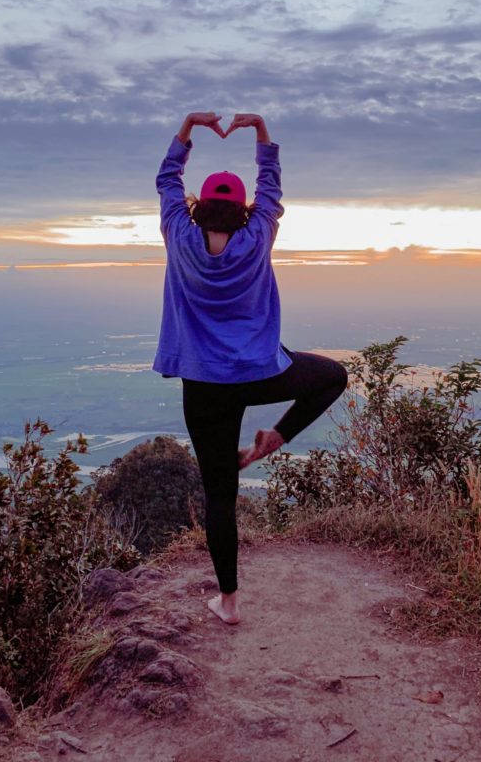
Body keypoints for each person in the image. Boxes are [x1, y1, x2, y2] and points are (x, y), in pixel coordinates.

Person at [152, 111, 348, 624]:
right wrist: (260, 130)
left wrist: (188, 128)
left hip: (204, 386)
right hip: (261, 374)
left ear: (197, 211)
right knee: (332, 377)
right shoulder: (257, 236)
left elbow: (166, 182)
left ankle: (230, 603)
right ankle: (276, 438)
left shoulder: (179, 235)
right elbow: (271, 188)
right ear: (242, 210)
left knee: (220, 495)